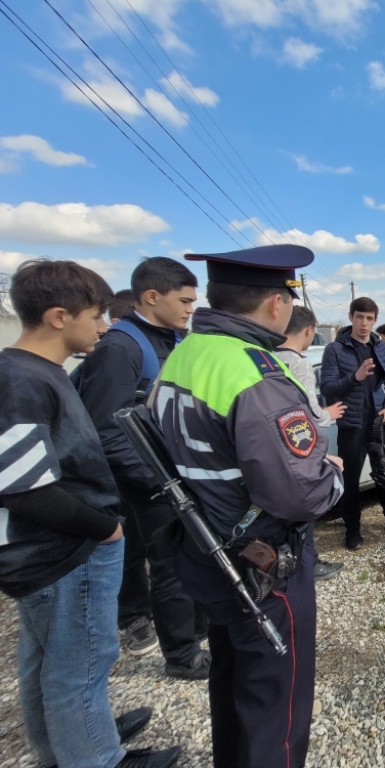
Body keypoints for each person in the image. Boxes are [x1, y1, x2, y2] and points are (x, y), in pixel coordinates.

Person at [153, 244, 345, 768]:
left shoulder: (186, 353)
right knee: (274, 706)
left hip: (204, 552)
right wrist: (333, 477)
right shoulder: (256, 374)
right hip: (261, 564)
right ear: (276, 304)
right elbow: (300, 491)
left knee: (233, 681)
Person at [0, 260, 180, 768]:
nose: (104, 327)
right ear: (59, 316)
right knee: (80, 665)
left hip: (60, 547)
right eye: (97, 316)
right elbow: (24, 488)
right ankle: (98, 756)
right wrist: (107, 528)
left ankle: (69, 741)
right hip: (64, 551)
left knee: (48, 663)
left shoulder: (39, 373)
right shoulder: (21, 380)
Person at [77, 257, 211, 680]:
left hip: (171, 471)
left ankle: (195, 627)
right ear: (152, 297)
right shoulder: (122, 348)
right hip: (148, 480)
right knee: (168, 562)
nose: (191, 308)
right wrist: (163, 482)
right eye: (185, 300)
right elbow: (106, 430)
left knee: (183, 557)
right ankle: (183, 654)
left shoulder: (172, 340)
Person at [321, 297, 385, 551]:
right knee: (350, 480)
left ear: (375, 320)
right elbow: (328, 388)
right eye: (359, 317)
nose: (364, 323)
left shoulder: (381, 348)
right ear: (351, 317)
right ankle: (352, 530)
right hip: (352, 425)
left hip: (378, 423)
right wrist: (354, 378)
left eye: (369, 318)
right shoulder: (335, 349)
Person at [275, 305, 347, 581]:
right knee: (303, 514)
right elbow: (310, 413)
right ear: (308, 330)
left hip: (276, 447)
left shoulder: (265, 358)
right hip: (300, 447)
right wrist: (327, 414)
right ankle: (308, 565)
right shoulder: (299, 364)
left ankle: (287, 563)